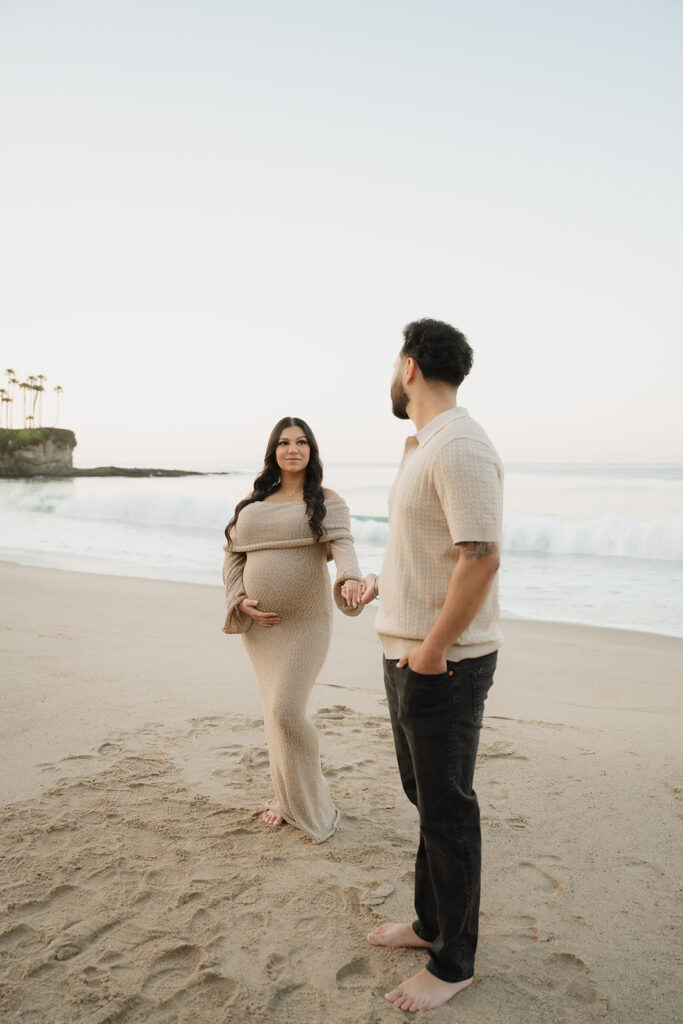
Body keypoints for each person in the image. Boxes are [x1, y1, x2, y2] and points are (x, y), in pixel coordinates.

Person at [360, 319, 503, 1013]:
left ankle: (454, 964)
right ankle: (429, 923)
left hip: (442, 663)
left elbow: (481, 557)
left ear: (410, 366)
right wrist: (380, 589)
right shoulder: (423, 445)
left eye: (395, 362)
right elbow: (432, 553)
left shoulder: (459, 445)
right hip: (411, 652)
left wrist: (432, 651)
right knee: (427, 800)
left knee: (448, 809)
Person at [222, 416, 363, 843]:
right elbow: (233, 555)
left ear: (311, 451)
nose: (293, 449)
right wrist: (238, 598)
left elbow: (343, 546)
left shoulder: (326, 500)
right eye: (284, 443)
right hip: (261, 629)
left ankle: (311, 800)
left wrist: (350, 578)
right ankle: (285, 799)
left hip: (306, 622)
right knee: (274, 714)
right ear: (274, 451)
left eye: (301, 442)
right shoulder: (253, 502)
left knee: (286, 710)